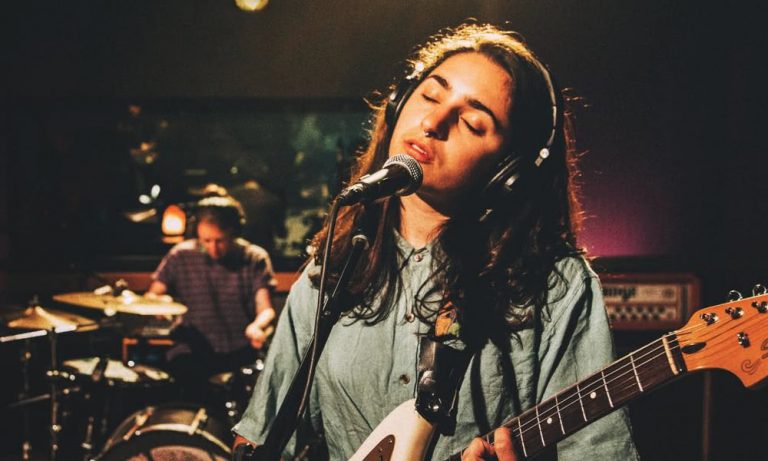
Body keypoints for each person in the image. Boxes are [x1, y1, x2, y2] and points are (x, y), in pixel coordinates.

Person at [233, 22, 639, 460]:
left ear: (509, 174)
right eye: (430, 94)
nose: (433, 122)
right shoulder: (333, 270)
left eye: (472, 121)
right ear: (396, 105)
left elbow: (599, 451)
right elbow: (259, 442)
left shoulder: (555, 284)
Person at [148, 195, 277, 401]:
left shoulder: (254, 257)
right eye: (206, 240)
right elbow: (153, 296)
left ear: (235, 232)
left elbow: (266, 309)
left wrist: (257, 326)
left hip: (238, 351)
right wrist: (159, 306)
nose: (213, 248)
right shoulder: (180, 255)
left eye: (220, 241)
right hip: (191, 349)